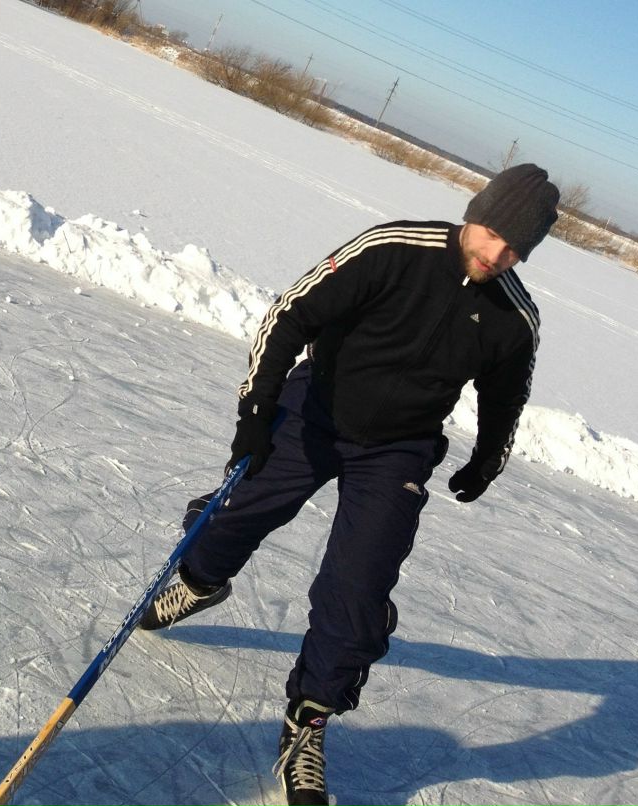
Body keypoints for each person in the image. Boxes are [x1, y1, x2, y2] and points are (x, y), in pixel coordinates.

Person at [139, 163, 560, 806]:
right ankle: (200, 581)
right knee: (236, 511)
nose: (498, 254)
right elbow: (291, 314)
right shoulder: (395, 248)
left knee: (358, 588)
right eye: (494, 234)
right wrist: (256, 408)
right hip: (318, 406)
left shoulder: (514, 317)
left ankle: (308, 722)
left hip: (398, 449)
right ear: (475, 213)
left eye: (516, 249)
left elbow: (507, 398)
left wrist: (487, 460)